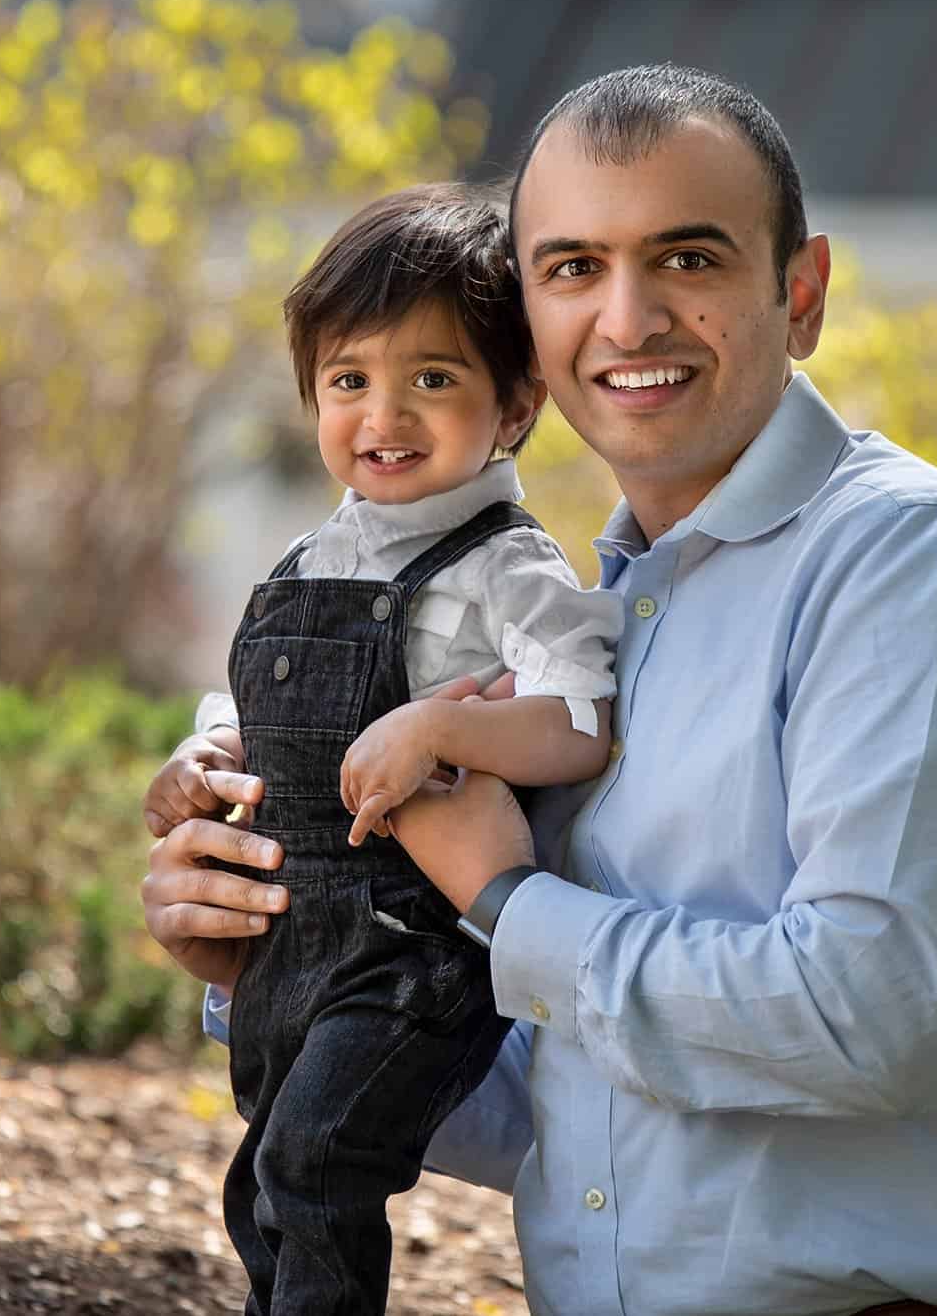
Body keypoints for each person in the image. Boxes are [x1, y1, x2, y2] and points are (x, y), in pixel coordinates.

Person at [144, 65, 937, 1316]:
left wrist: (504, 897)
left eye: (687, 260)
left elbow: (876, 1019)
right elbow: (585, 1093)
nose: (626, 318)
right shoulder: (593, 618)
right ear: (531, 340)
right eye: (571, 269)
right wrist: (281, 967)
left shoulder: (903, 558)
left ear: (802, 292)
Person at [189, 183, 621, 1315]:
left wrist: (442, 725)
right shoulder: (307, 557)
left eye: (431, 378)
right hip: (293, 948)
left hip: (415, 951)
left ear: (515, 405)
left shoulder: (506, 567)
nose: (384, 416)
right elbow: (257, 716)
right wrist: (200, 762)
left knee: (321, 1163)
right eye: (349, 382)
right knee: (263, 1184)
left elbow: (581, 724)